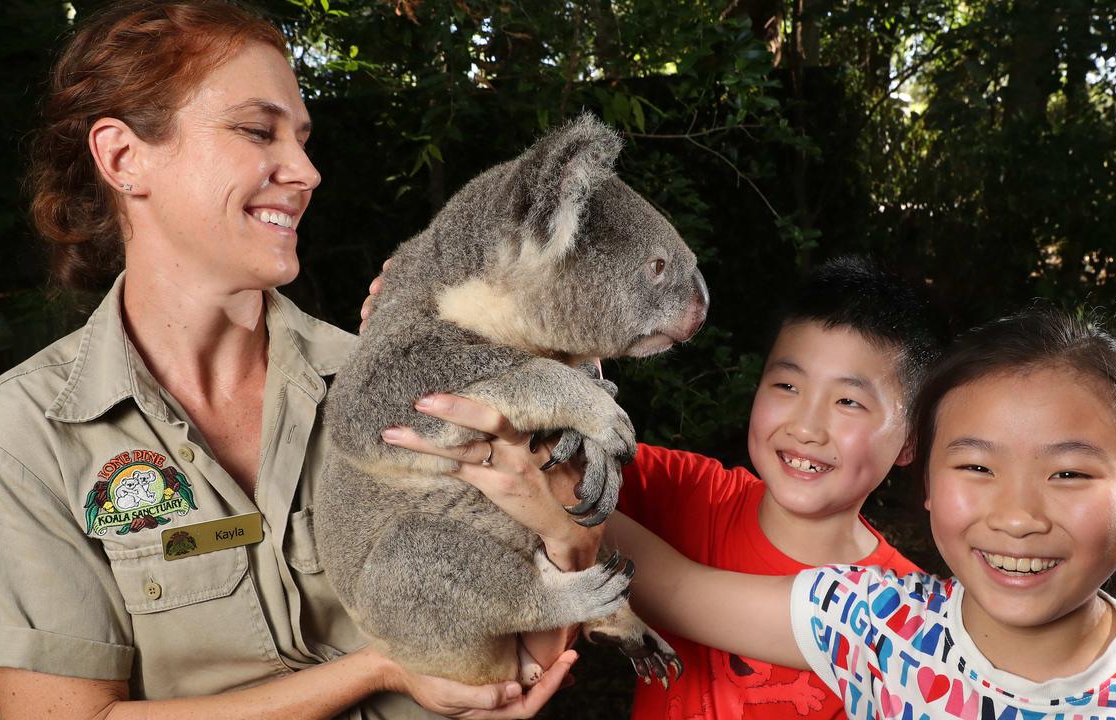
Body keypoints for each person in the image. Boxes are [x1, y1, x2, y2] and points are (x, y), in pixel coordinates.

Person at [0, 2, 580, 718]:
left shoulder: (394, 388)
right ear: (124, 158)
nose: (307, 172)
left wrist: (564, 534)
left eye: (304, 140)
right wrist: (377, 671)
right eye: (257, 131)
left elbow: (514, 665)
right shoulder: (15, 441)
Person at [381, 256, 938, 719]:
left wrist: (556, 490)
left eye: (849, 401)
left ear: (911, 440)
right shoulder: (686, 491)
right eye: (787, 385)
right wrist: (435, 325)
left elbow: (561, 490)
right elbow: (539, 461)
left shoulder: (913, 624)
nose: (806, 426)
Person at [601, 309, 1116, 718]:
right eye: (977, 468)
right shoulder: (872, 623)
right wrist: (532, 434)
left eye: (1068, 473)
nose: (1016, 516)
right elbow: (675, 584)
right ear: (925, 478)